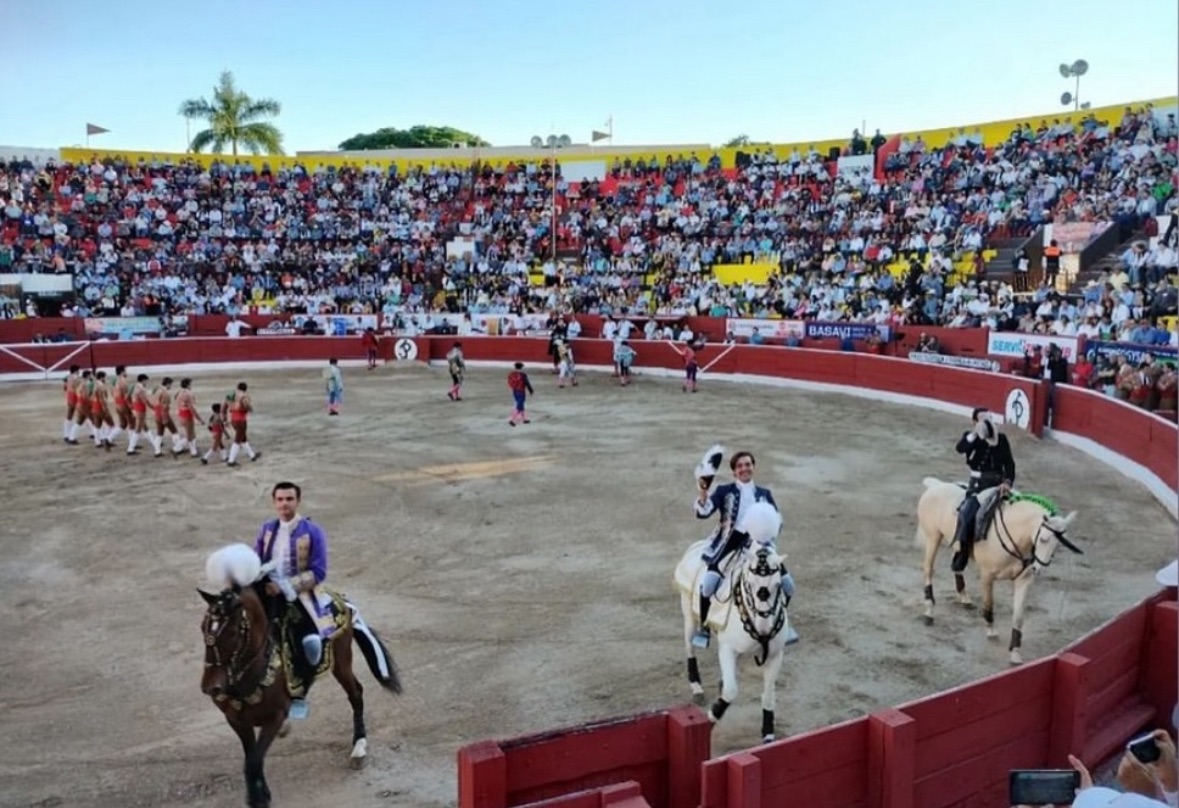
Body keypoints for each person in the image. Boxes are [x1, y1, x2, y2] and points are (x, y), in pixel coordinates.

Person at [691, 450, 790, 648]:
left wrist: (772, 530)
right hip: (730, 542)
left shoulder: (764, 494)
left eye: (747, 464)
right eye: (740, 466)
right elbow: (704, 511)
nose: (744, 468)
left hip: (759, 543)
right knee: (708, 585)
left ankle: (780, 623)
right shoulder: (723, 491)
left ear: (753, 467)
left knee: (788, 585)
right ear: (734, 471)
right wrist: (702, 494)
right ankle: (704, 626)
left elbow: (777, 521)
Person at [253, 482, 332, 718]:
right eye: (280, 499)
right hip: (267, 589)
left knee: (310, 643)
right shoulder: (267, 529)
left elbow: (318, 572)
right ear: (274, 502)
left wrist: (285, 586)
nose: (284, 503)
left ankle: (300, 694)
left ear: (298, 501)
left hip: (301, 595)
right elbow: (256, 559)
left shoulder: (312, 531)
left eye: (289, 499)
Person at [951, 408, 1017, 573]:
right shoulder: (971, 438)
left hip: (998, 484)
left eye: (990, 417)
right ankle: (963, 553)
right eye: (983, 418)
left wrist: (1008, 482)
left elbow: (1009, 464)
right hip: (978, 486)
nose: (988, 421)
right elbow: (960, 448)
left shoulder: (1001, 439)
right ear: (974, 421)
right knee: (967, 513)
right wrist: (975, 433)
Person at [507, 362, 534, 426]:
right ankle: (512, 420)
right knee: (519, 405)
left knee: (521, 405)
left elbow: (509, 382)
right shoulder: (523, 375)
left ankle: (525, 419)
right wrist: (531, 390)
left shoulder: (512, 374)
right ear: (522, 367)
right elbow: (527, 383)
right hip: (521, 391)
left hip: (515, 391)